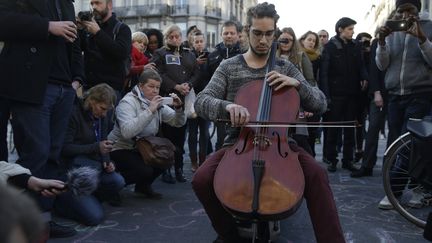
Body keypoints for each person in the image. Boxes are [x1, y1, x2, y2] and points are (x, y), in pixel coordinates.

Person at [192, 3, 345, 243]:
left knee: (317, 174)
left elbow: (320, 103)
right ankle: (229, 234)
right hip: (237, 144)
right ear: (247, 31)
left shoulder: (285, 67)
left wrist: (298, 85)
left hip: (281, 145)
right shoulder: (229, 67)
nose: (263, 40)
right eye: (257, 33)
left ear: (274, 33)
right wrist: (227, 106)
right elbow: (201, 101)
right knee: (201, 180)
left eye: (268, 34)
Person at [0, 0, 84, 238]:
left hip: (64, 87)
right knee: (35, 155)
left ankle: (44, 221)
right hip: (32, 87)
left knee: (53, 156)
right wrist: (47, 26)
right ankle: (20, 223)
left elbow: (74, 42)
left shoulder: (67, 3)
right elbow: (3, 21)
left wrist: (77, 77)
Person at [376, 0, 432, 209]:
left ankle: (396, 192)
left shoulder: (429, 27)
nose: (405, 15)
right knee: (395, 143)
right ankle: (405, 188)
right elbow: (382, 64)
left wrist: (421, 38)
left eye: (410, 11)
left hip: (420, 93)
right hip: (395, 95)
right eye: (401, 11)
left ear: (418, 12)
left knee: (409, 145)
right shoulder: (392, 30)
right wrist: (381, 42)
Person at [109, 69, 186, 198]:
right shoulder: (127, 102)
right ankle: (112, 186)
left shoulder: (156, 101)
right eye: (151, 86)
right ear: (140, 86)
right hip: (120, 147)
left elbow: (177, 122)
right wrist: (150, 111)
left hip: (142, 146)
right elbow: (127, 132)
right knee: (144, 170)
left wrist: (178, 109)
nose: (155, 90)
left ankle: (143, 186)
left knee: (170, 155)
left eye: (157, 87)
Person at [57, 84, 125, 225]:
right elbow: (65, 148)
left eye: (107, 110)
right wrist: (95, 148)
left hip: (94, 166)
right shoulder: (74, 113)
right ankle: (64, 203)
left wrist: (107, 161)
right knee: (94, 217)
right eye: (102, 108)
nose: (104, 114)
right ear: (92, 101)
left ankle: (87, 200)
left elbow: (103, 140)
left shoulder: (102, 116)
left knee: (118, 181)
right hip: (74, 170)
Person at [150, 24, 200, 183]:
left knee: (180, 137)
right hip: (166, 99)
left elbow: (196, 73)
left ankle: (178, 169)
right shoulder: (160, 53)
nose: (175, 39)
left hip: (184, 100)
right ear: (166, 38)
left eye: (177, 36)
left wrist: (188, 85)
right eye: (171, 37)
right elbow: (157, 73)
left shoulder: (189, 54)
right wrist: (175, 86)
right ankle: (166, 170)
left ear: (182, 37)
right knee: (166, 137)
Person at [320, 17, 368, 172]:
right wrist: (326, 95)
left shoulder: (356, 45)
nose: (352, 32)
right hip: (335, 94)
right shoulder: (330, 47)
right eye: (350, 29)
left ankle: (348, 160)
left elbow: (361, 66)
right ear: (340, 29)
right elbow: (324, 74)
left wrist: (364, 77)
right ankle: (331, 159)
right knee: (333, 128)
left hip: (352, 93)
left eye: (352, 29)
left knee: (349, 128)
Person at [78, 0, 132, 94]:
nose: (94, 7)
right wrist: (78, 30)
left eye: (98, 3)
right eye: (92, 3)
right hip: (88, 88)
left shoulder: (122, 28)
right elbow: (79, 49)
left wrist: (98, 33)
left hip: (110, 90)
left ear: (109, 5)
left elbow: (121, 53)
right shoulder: (89, 28)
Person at [276, 27, 316, 155]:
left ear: (294, 42)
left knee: (300, 139)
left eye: (290, 40)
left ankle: (307, 168)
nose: (286, 43)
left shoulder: (301, 56)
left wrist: (309, 103)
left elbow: (310, 81)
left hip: (298, 103)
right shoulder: (271, 57)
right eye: (283, 40)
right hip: (276, 103)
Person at [207, 20, 244, 151]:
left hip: (242, 103)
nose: (229, 35)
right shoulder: (212, 56)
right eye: (226, 33)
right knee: (222, 141)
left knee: (241, 141)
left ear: (238, 35)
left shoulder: (245, 55)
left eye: (232, 33)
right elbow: (207, 81)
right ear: (221, 35)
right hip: (221, 105)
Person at [188, 31, 211, 172]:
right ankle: (193, 162)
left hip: (206, 98)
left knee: (204, 132)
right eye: (196, 41)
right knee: (192, 133)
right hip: (191, 99)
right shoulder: (188, 57)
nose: (199, 44)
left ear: (205, 42)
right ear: (192, 43)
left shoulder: (211, 57)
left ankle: (202, 161)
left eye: (201, 41)